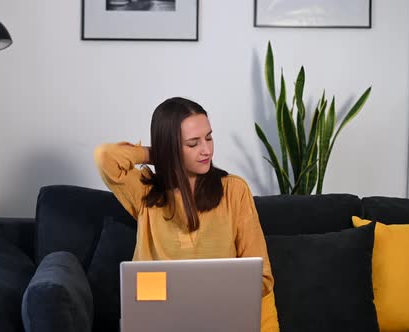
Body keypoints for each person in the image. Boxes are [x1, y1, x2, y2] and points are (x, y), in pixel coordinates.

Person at [94, 97, 280, 331]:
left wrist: (216, 299)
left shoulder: (234, 190)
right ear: (170, 147)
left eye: (209, 138)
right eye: (193, 144)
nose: (206, 150)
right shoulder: (144, 192)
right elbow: (105, 157)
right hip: (161, 317)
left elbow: (262, 278)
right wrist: (159, 154)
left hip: (225, 316)